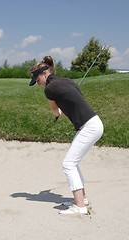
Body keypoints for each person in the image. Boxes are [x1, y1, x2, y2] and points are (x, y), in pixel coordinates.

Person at [29, 56, 104, 215]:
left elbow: (55, 111)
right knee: (73, 162)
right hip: (94, 123)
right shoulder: (67, 81)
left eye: (37, 79)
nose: (37, 82)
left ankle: (80, 207)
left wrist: (57, 114)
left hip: (89, 126)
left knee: (68, 164)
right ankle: (82, 199)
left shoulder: (50, 89)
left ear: (44, 73)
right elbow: (73, 100)